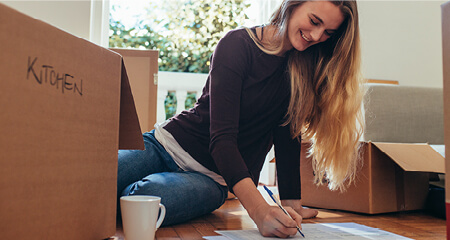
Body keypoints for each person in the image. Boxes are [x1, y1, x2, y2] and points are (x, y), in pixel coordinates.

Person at [117, 0, 364, 238]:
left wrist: (292, 204)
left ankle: (113, 197)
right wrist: (258, 210)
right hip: (164, 145)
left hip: (211, 180)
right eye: (314, 21)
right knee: (103, 172)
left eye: (328, 32)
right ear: (294, 3)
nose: (316, 35)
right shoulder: (236, 44)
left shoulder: (301, 72)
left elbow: (287, 138)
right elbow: (222, 140)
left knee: (146, 196)